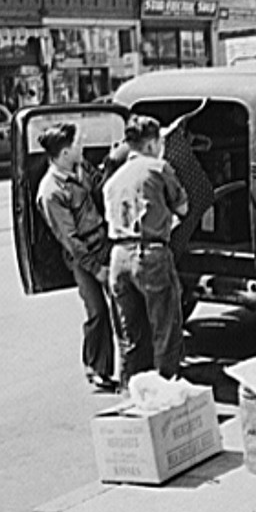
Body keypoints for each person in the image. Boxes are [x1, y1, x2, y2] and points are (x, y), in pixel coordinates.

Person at [103, 115, 189, 389]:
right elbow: (183, 207)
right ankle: (164, 394)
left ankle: (130, 396)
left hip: (118, 257)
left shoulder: (113, 180)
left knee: (130, 337)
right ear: (152, 144)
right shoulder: (158, 168)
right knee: (165, 331)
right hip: (150, 255)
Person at [36, 122, 118, 392]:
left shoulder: (81, 169)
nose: (82, 146)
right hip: (83, 256)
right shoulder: (51, 192)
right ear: (63, 154)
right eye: (77, 144)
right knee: (97, 312)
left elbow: (101, 187)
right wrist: (97, 270)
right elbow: (70, 241)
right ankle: (96, 368)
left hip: (104, 241)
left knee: (125, 307)